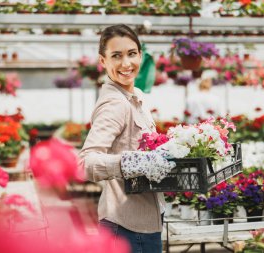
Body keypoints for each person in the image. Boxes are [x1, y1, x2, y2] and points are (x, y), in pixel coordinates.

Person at [78, 24, 175, 253]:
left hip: (142, 225)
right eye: (116, 56)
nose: (126, 64)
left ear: (141, 55)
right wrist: (131, 163)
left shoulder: (135, 97)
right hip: (127, 231)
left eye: (131, 54)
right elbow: (85, 163)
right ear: (103, 61)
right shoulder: (115, 104)